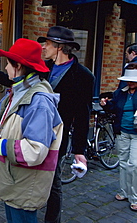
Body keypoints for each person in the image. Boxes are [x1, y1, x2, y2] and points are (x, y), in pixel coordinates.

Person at [0, 38, 63, 223]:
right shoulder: (20, 91)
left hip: (24, 185)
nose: (6, 68)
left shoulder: (39, 101)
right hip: (15, 181)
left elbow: (35, 150)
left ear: (18, 67)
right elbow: (1, 111)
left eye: (8, 64)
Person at [37, 26, 95, 223]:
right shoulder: (42, 68)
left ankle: (52, 220)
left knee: (53, 182)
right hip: (34, 133)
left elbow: (82, 115)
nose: (43, 47)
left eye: (47, 44)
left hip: (57, 137)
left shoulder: (83, 76)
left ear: (59, 47)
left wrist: (80, 150)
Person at [100, 67, 137, 212]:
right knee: (123, 162)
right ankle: (124, 192)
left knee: (133, 164)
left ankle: (135, 197)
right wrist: (106, 104)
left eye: (134, 80)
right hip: (122, 131)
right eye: (129, 80)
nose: (131, 83)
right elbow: (113, 108)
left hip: (136, 133)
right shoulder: (120, 93)